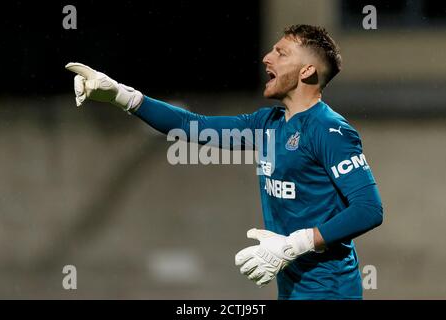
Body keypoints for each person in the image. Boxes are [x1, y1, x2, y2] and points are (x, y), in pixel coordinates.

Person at [65, 24, 383, 300]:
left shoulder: (331, 131)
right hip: (293, 289)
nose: (267, 58)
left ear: (307, 71)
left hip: (330, 291)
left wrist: (293, 245)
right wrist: (122, 95)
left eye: (281, 53)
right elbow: (195, 127)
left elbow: (368, 210)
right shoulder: (267, 124)